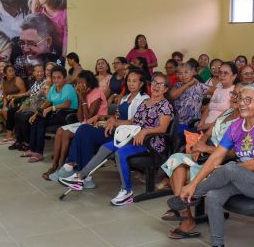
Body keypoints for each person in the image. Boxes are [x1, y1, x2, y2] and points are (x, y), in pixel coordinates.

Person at [169, 83, 254, 247]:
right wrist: (192, 184)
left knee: (230, 168)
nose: (242, 103)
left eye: (248, 100)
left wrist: (223, 173)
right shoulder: (235, 126)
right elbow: (215, 157)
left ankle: (193, 197)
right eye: (240, 98)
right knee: (215, 195)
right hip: (247, 177)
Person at [60, 73, 173, 206]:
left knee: (120, 153)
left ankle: (127, 191)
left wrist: (145, 131)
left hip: (151, 143)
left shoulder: (165, 105)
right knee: (107, 147)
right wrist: (115, 122)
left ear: (165, 89)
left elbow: (163, 128)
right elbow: (132, 122)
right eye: (154, 83)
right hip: (134, 138)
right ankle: (80, 177)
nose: (156, 86)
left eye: (160, 84)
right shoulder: (144, 103)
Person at [161, 83, 243, 238]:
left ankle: (182, 212)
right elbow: (207, 132)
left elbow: (233, 153)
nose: (233, 98)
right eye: (233, 94)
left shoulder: (244, 122)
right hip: (207, 153)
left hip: (222, 161)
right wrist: (200, 143)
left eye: (238, 95)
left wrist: (206, 149)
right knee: (176, 160)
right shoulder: (227, 112)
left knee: (181, 168)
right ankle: (186, 215)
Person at [47, 70, 149, 184]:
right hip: (113, 129)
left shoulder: (144, 99)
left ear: (141, 84)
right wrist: (101, 117)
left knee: (85, 130)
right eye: (129, 80)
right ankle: (77, 171)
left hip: (126, 134)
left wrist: (113, 121)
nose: (131, 83)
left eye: (134, 81)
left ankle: (73, 169)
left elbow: (136, 121)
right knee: (84, 130)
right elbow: (115, 116)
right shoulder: (126, 97)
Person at [48, 70, 107, 171]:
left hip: (96, 125)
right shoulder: (84, 93)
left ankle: (62, 166)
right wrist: (81, 98)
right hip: (84, 123)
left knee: (66, 133)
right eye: (78, 82)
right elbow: (80, 118)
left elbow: (89, 118)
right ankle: (54, 165)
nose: (79, 85)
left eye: (81, 82)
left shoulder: (98, 93)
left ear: (89, 82)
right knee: (60, 131)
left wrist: (83, 98)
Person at [25, 65, 77, 161]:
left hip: (67, 114)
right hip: (56, 113)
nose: (56, 80)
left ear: (64, 78)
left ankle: (39, 153)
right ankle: (32, 149)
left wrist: (51, 108)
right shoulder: (53, 87)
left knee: (41, 122)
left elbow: (67, 104)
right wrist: (35, 114)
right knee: (35, 120)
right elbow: (47, 102)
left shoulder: (68, 87)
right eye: (54, 78)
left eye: (59, 77)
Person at [14, 14, 62, 80]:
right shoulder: (20, 62)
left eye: (31, 43)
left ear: (48, 41)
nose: (25, 49)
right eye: (22, 43)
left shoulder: (59, 61)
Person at [169, 62, 209, 132]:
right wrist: (188, 84)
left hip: (193, 123)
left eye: (186, 72)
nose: (183, 75)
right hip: (177, 122)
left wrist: (209, 106)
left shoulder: (199, 86)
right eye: (180, 73)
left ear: (192, 72)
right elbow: (172, 96)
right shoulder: (177, 85)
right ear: (177, 75)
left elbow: (217, 91)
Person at [0, 65, 28, 144]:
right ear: (5, 73)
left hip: (18, 100)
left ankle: (12, 133)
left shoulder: (17, 79)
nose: (12, 72)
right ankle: (12, 129)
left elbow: (24, 91)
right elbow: (5, 95)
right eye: (9, 71)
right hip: (9, 100)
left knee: (6, 111)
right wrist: (5, 105)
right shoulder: (4, 81)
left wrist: (13, 98)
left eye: (13, 70)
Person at [199, 62, 238, 129]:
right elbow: (207, 109)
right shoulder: (217, 90)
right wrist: (201, 123)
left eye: (226, 73)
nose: (222, 75)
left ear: (234, 76)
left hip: (218, 129)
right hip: (204, 126)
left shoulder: (235, 91)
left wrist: (210, 126)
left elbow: (229, 115)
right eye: (220, 72)